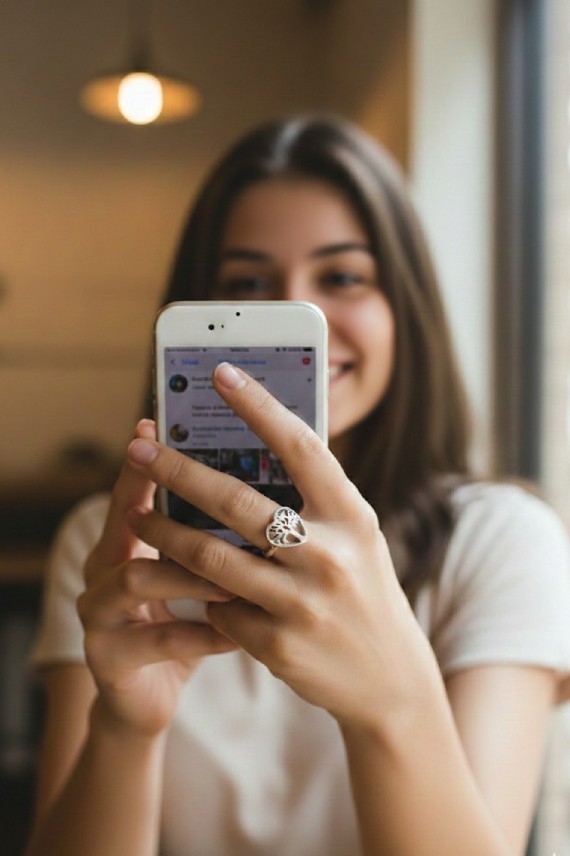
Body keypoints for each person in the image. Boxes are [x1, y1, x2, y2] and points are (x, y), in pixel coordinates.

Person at [25, 114, 570, 856]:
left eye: (341, 276)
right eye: (247, 283)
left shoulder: (500, 542)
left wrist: (392, 701)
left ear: (404, 308)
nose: (293, 315)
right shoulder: (112, 540)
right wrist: (126, 728)